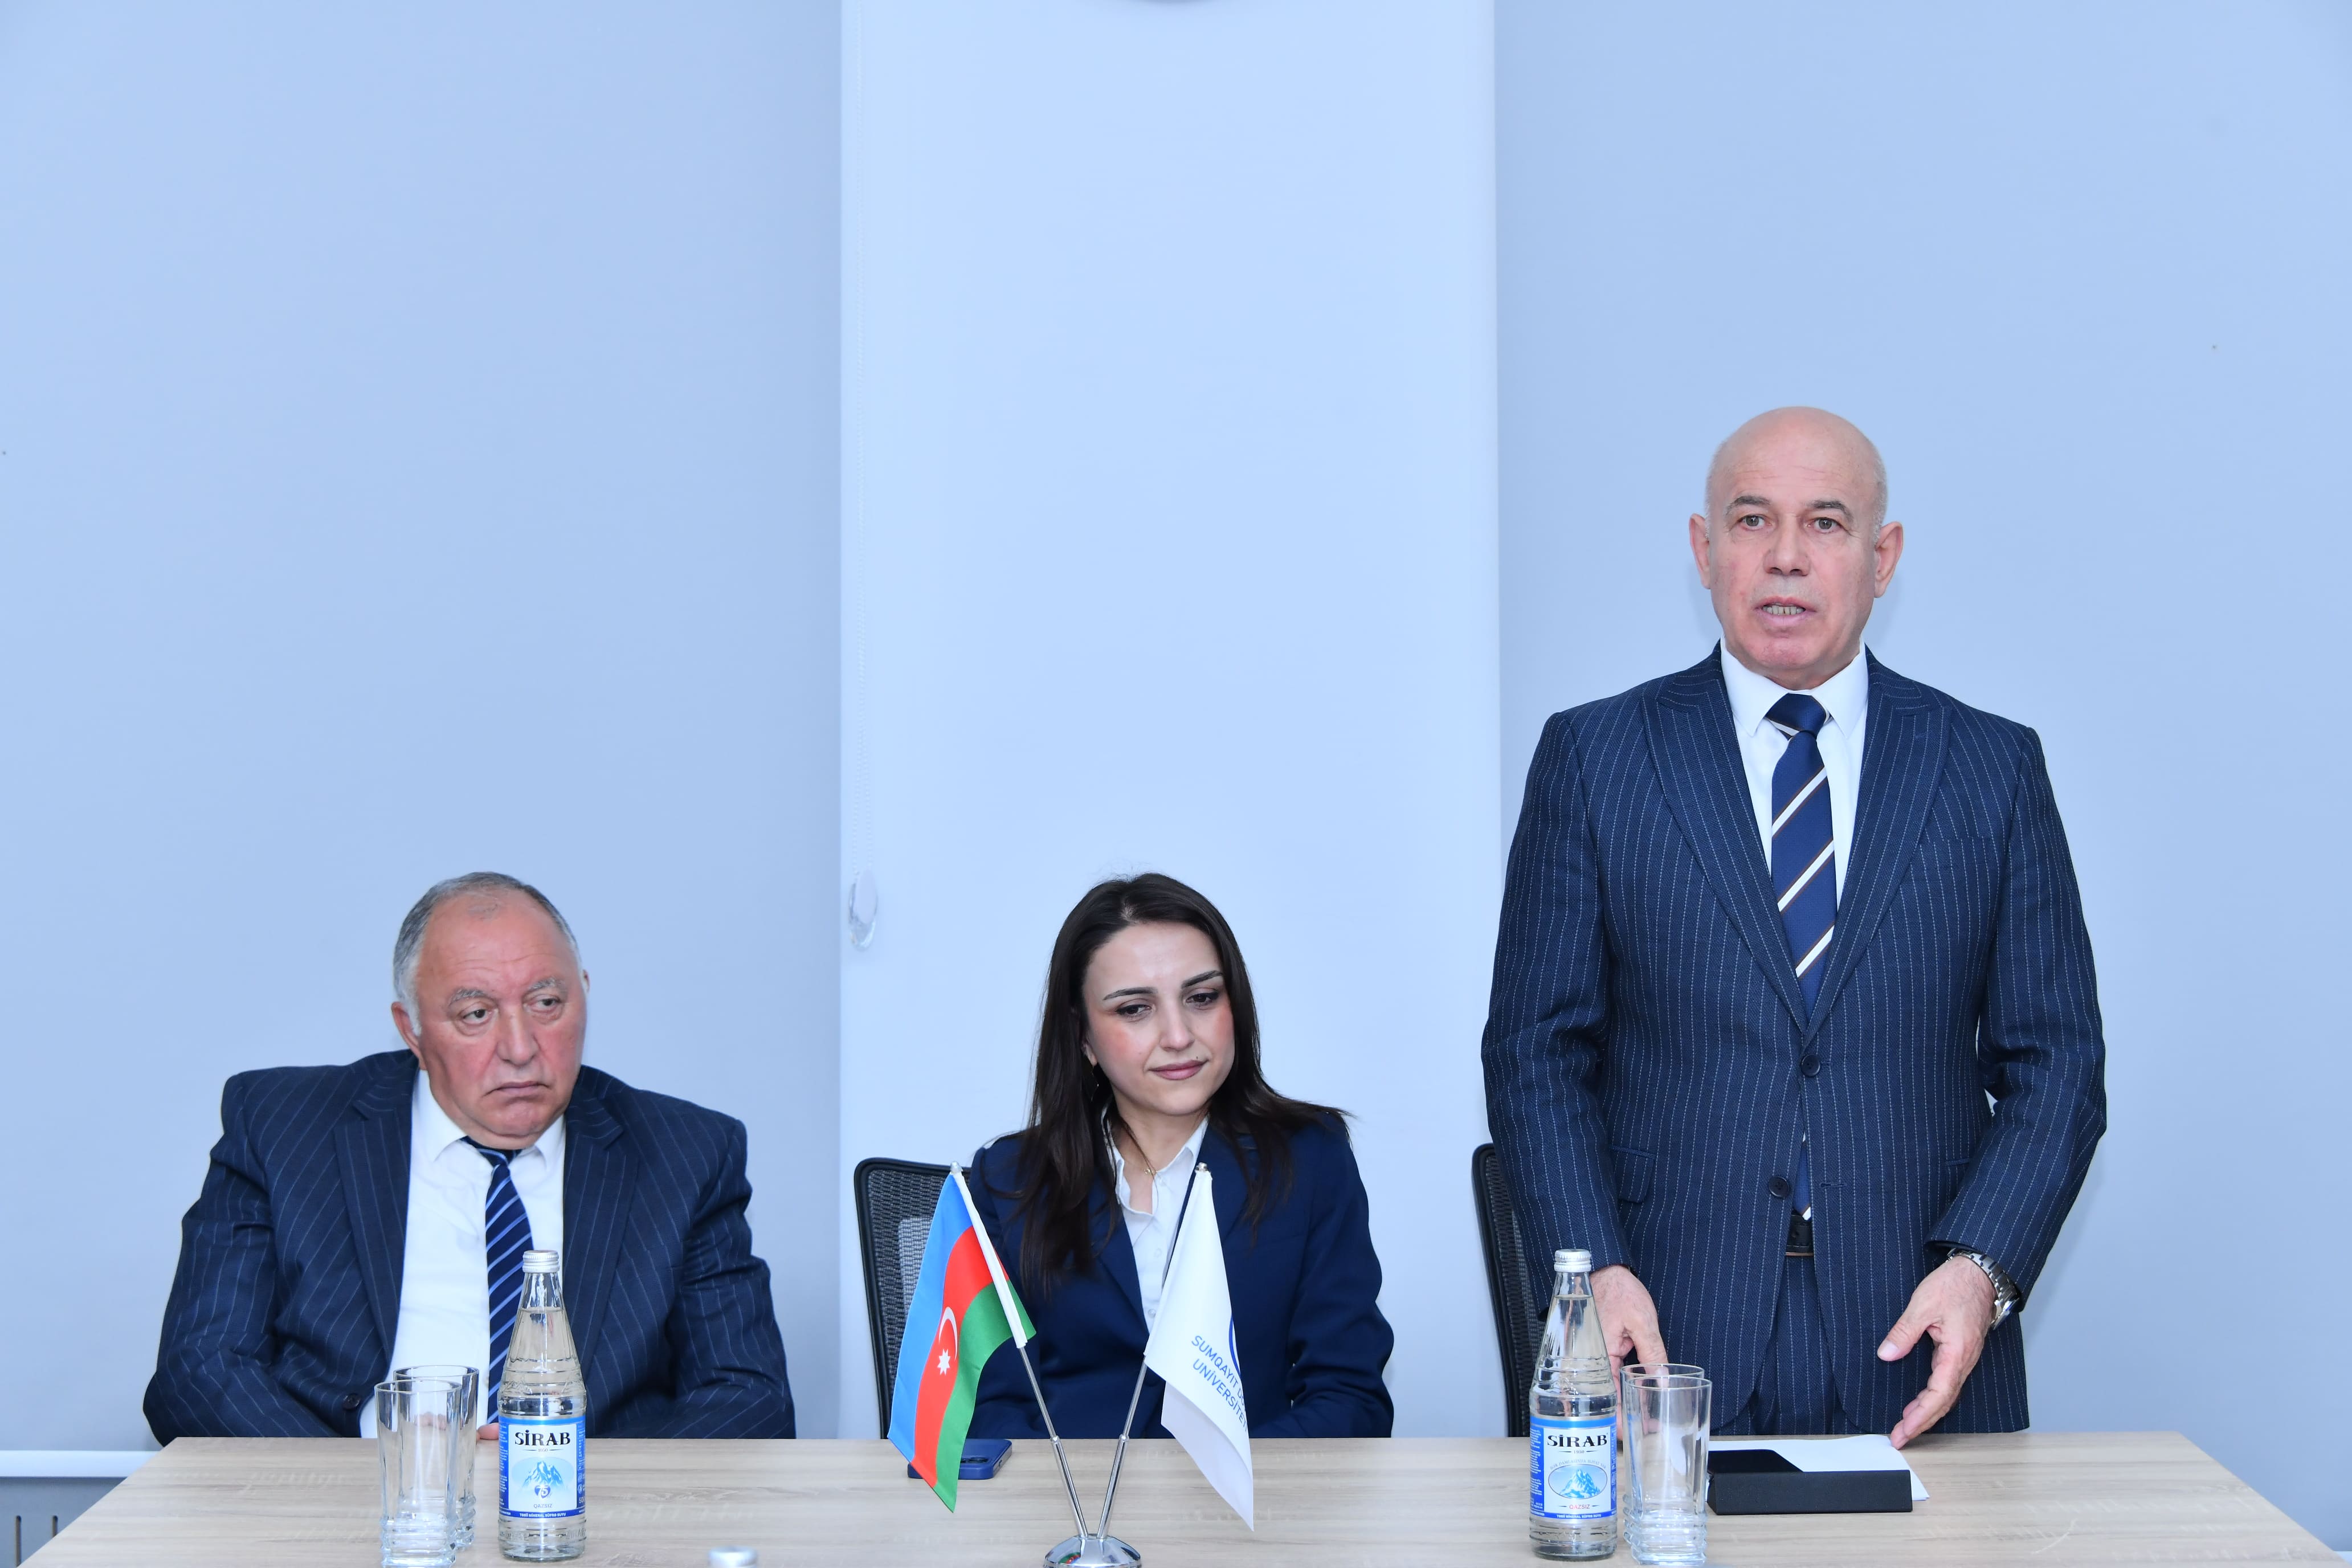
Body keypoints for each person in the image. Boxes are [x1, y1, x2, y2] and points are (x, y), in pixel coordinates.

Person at [1483, 408, 2105, 1445]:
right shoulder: (1595, 759)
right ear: (1703, 549)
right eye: (1751, 520)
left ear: (1881, 557)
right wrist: (1596, 1273)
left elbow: (2059, 1062)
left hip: (1920, 1332)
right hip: (1664, 1335)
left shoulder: (1990, 769)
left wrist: (1982, 1268)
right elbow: (1533, 1050)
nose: (1784, 556)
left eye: (1824, 522)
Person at [145, 872, 795, 1441]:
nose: (520, 1047)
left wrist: (554, 1467)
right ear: (411, 1030)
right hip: (355, 1508)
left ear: (585, 993)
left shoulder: (684, 1154)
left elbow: (748, 1398)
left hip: (582, 1516)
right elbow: (199, 1371)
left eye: (547, 1003)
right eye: (476, 1013)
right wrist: (384, 1477)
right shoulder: (286, 1129)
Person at [966, 873, 1393, 1439]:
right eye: (1134, 1009)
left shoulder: (1311, 1158)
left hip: (1255, 1490)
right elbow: (990, 1410)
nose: (1177, 1035)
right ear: (1083, 1036)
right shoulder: (1006, 1181)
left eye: (1202, 998)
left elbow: (1351, 1399)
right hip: (1072, 1494)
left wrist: (1220, 1482)